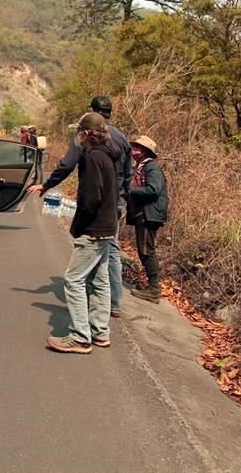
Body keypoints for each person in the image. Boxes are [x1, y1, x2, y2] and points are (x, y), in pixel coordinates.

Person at [27, 113, 119, 354]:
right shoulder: (109, 156)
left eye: (81, 132)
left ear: (87, 134)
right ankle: (100, 332)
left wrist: (79, 225)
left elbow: (91, 198)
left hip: (94, 229)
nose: (79, 137)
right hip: (109, 226)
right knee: (100, 280)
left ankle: (80, 336)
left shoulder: (92, 158)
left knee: (74, 280)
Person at [88, 96, 132, 318]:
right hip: (117, 201)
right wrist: (122, 198)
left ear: (93, 111)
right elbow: (128, 174)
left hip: (99, 199)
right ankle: (114, 302)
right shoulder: (123, 139)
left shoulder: (90, 134)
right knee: (112, 250)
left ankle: (93, 298)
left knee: (89, 246)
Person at [127, 135, 170, 303]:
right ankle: (151, 286)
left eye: (139, 149)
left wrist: (131, 190)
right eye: (134, 148)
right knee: (144, 249)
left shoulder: (152, 168)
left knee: (146, 250)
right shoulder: (141, 167)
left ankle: (154, 289)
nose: (135, 151)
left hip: (149, 214)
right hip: (144, 213)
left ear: (147, 152)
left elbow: (153, 190)